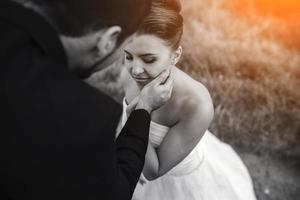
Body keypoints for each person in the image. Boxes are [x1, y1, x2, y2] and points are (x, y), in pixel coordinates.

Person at [0, 0, 178, 199]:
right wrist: (143, 108)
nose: (135, 69)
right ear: (108, 40)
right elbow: (116, 192)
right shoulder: (86, 118)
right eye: (127, 50)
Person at [119, 1, 257, 199]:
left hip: (175, 182)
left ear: (175, 56)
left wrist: (138, 112)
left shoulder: (197, 104)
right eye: (128, 56)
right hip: (130, 163)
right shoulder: (128, 76)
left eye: (149, 59)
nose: (135, 70)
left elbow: (153, 171)